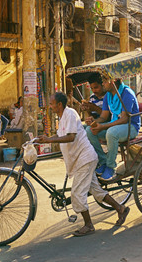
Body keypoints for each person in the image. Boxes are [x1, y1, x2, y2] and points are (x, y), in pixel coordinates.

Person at [38, 92, 130, 236]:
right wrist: (46, 139)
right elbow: (61, 135)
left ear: (59, 104)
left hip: (85, 159)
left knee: (76, 193)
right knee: (96, 190)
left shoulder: (70, 114)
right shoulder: (62, 117)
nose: (50, 106)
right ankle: (120, 208)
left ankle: (88, 225)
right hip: (81, 160)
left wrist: (50, 141)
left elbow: (70, 137)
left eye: (51, 104)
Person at [85, 78, 141, 182]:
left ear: (113, 81)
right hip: (115, 124)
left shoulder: (126, 93)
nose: (103, 84)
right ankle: (103, 161)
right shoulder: (108, 96)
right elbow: (104, 116)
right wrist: (95, 121)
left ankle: (111, 167)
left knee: (111, 133)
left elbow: (124, 119)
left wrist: (103, 126)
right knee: (89, 130)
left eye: (105, 81)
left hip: (130, 126)